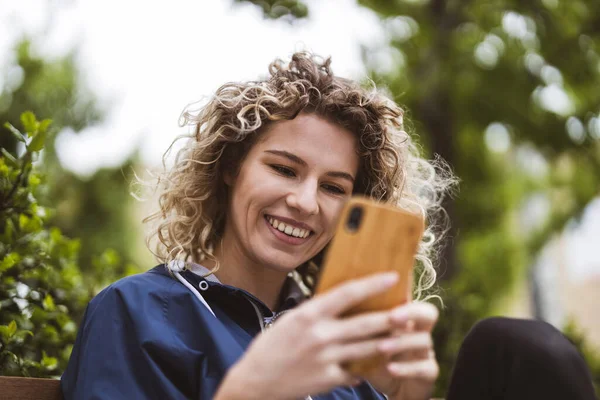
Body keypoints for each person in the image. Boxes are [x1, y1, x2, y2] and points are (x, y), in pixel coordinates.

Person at [60, 52, 597, 400]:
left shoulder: (340, 340)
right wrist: (251, 391)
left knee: (514, 348)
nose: (304, 201)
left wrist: (401, 397)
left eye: (335, 187)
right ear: (230, 169)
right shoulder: (137, 313)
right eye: (283, 168)